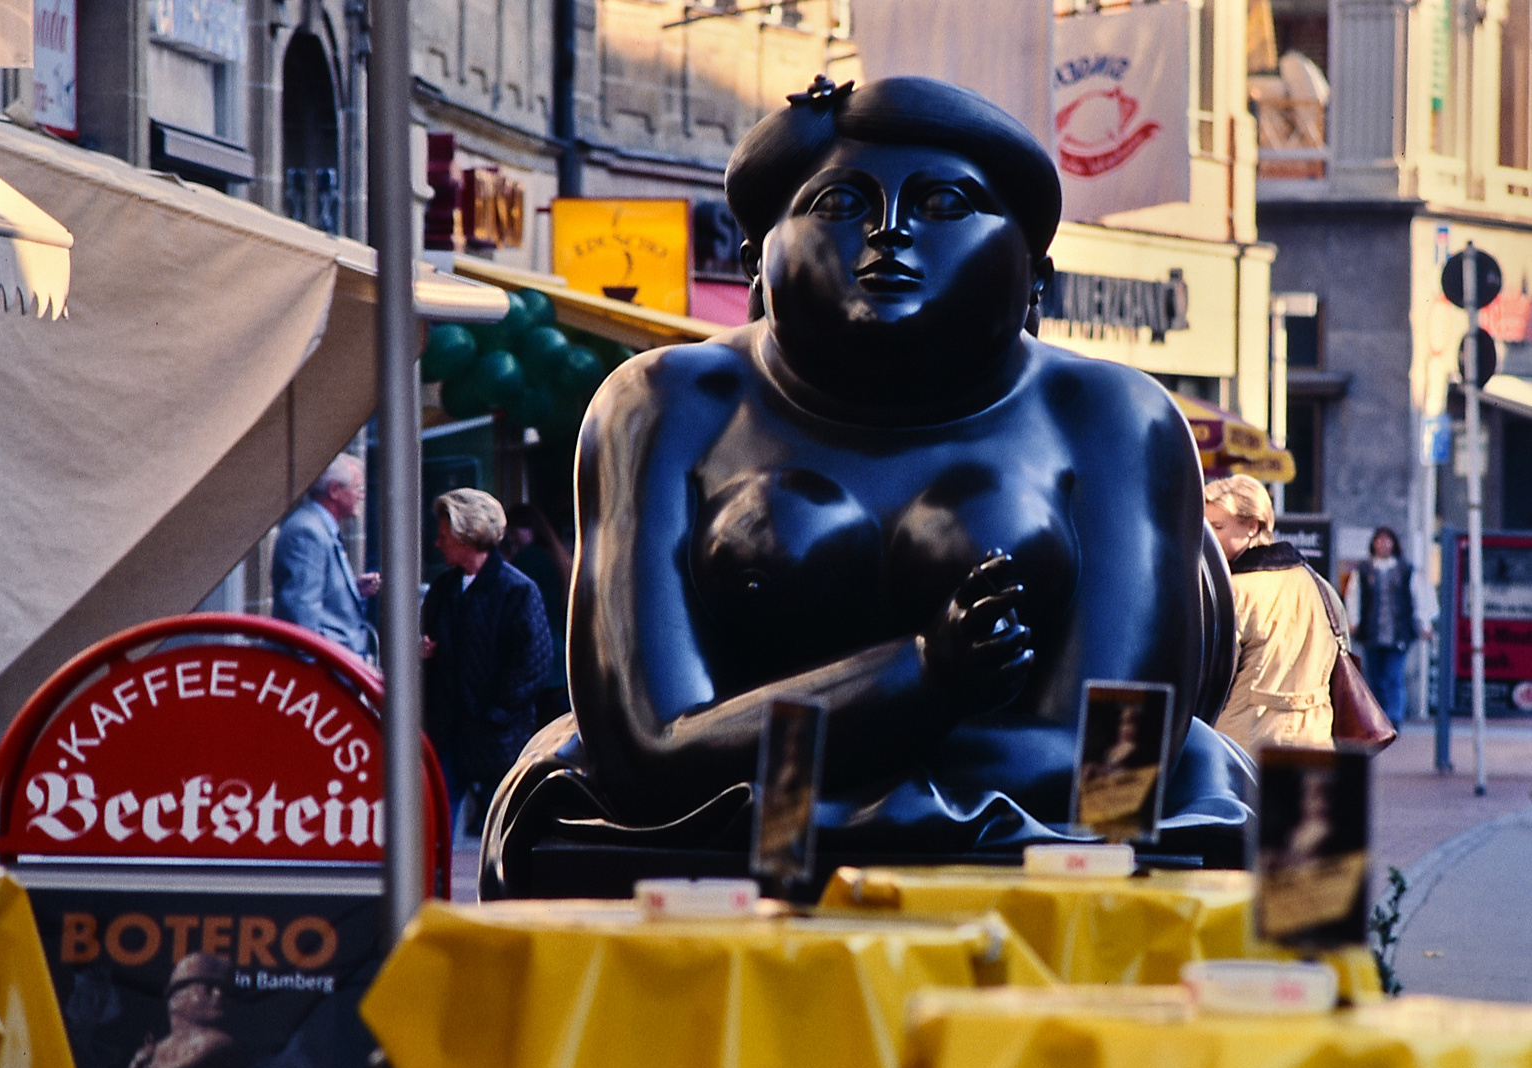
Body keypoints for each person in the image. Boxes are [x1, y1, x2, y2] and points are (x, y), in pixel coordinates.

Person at [481, 75, 1252, 897]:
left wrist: (769, 741)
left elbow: (1112, 767)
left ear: (1037, 275)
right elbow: (644, 747)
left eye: (946, 204)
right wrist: (925, 679)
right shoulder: (665, 403)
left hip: (1028, 840)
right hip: (708, 842)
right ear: (756, 255)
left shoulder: (1111, 416)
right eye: (839, 202)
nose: (888, 231)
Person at [422, 488, 555, 832]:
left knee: (503, 829)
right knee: (434, 822)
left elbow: (532, 664)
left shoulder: (517, 590)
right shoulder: (443, 588)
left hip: (497, 736)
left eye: (444, 536)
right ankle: (433, 887)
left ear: (468, 536)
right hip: (448, 730)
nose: (438, 544)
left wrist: (495, 714)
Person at [1204, 475, 1343, 752]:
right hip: (1315, 741)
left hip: (1245, 744)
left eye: (1217, 526)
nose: (1208, 537)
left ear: (1252, 527)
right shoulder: (1321, 586)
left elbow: (1212, 681)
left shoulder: (1234, 591)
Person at [271, 454, 379, 659]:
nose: (361, 496)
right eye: (358, 489)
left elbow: (315, 594)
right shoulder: (308, 532)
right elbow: (301, 616)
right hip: (324, 673)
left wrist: (353, 590)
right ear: (334, 490)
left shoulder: (318, 527)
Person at [1345, 526, 1435, 724]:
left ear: (1393, 544)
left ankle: (1394, 717)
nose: (1383, 545)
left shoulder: (1405, 570)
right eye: (1379, 540)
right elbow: (1354, 597)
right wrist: (1354, 621)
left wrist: (1424, 623)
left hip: (1398, 633)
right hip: (1372, 632)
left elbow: (1418, 598)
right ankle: (1378, 716)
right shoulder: (1364, 570)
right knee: (1375, 678)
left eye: (1387, 541)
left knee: (1394, 676)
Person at [501, 503, 574, 722]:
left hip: (540, 661)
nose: (511, 539)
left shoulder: (529, 560)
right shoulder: (555, 557)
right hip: (558, 659)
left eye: (514, 532)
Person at [127, 953, 244, 1068]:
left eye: (225, 990)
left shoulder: (217, 1043)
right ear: (177, 996)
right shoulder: (153, 1050)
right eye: (208, 987)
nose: (219, 994)